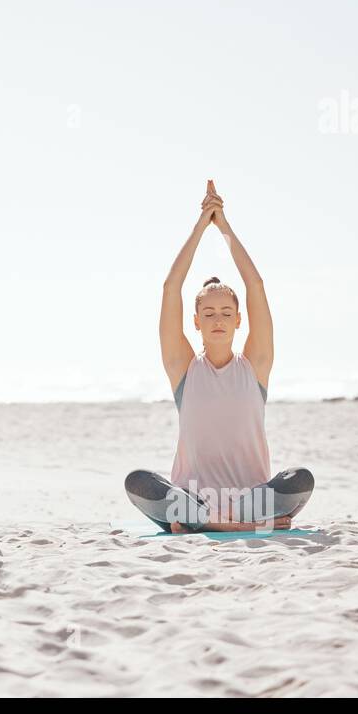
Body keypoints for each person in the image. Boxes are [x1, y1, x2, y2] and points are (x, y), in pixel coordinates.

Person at [124, 179, 314, 533]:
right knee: (137, 481)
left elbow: (255, 285)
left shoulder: (255, 364)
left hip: (251, 501)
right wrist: (201, 226)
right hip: (192, 498)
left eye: (226, 312)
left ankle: (214, 523)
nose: (218, 320)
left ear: (239, 320)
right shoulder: (183, 368)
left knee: (299, 479)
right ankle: (231, 525)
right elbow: (171, 287)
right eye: (208, 313)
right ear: (195, 321)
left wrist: (224, 227)